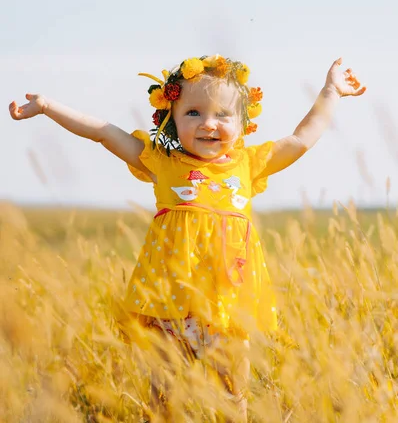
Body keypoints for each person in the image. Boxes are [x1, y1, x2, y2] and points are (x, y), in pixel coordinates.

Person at [9, 54, 365, 422]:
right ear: (171, 120)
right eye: (193, 113)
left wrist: (331, 91)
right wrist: (48, 107)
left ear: (242, 123)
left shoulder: (247, 164)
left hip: (226, 307)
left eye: (223, 115)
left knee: (233, 397)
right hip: (169, 304)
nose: (209, 124)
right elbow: (103, 132)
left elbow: (302, 138)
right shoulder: (162, 163)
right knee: (162, 399)